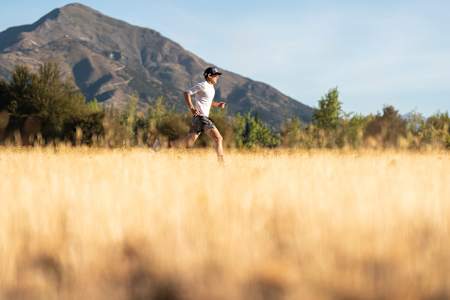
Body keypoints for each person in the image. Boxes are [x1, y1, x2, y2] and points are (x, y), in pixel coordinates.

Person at [182, 66, 227, 162]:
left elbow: (207, 102)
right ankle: (221, 164)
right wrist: (192, 108)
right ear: (209, 76)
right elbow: (187, 93)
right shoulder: (202, 85)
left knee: (188, 144)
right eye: (216, 76)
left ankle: (169, 148)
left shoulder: (211, 88)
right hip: (202, 118)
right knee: (218, 138)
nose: (217, 78)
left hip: (198, 118)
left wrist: (218, 104)